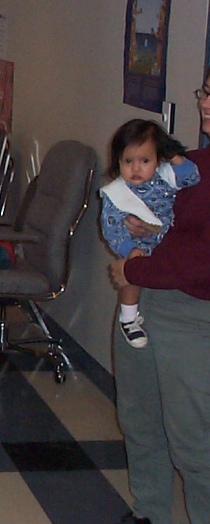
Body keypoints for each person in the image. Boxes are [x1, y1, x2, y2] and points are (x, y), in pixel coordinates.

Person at [109, 75, 210, 524]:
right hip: (145, 302)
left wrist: (133, 270)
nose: (205, 102)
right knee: (140, 419)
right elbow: (172, 230)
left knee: (194, 442)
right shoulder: (192, 165)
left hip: (191, 315)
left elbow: (200, 262)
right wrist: (141, 229)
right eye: (205, 91)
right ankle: (149, 512)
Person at [99, 119, 199, 348]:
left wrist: (173, 155)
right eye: (128, 161)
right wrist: (128, 249)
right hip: (139, 245)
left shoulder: (165, 177)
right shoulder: (116, 193)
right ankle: (129, 318)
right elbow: (111, 228)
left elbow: (192, 176)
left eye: (145, 161)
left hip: (168, 243)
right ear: (118, 162)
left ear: (158, 159)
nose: (136, 168)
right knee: (131, 274)